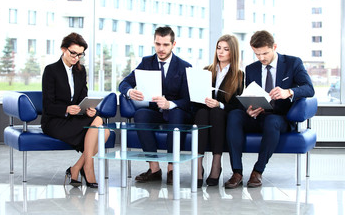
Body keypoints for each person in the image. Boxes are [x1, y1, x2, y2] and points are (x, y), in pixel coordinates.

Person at [224, 30, 315, 189]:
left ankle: (257, 171)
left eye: (265, 53)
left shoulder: (293, 63)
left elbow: (309, 89)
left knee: (271, 121)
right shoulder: (251, 69)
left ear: (274, 47)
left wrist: (289, 92)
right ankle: (237, 172)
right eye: (257, 54)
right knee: (234, 115)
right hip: (258, 114)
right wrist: (249, 108)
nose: (261, 58)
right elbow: (250, 92)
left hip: (280, 117)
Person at [119, 26, 192, 185]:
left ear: (174, 44)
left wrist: (170, 104)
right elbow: (124, 83)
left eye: (165, 45)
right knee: (140, 115)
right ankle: (154, 169)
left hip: (177, 112)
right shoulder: (147, 62)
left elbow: (188, 100)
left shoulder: (184, 66)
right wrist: (130, 92)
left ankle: (172, 168)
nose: (161, 48)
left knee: (176, 113)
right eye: (158, 44)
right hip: (156, 112)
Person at [41, 32, 110, 188]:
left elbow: (82, 98)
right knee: (100, 127)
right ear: (63, 49)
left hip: (74, 118)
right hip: (55, 120)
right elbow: (48, 104)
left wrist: (88, 110)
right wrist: (66, 109)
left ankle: (77, 168)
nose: (76, 58)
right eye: (73, 53)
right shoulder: (51, 70)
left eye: (80, 55)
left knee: (102, 127)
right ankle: (88, 168)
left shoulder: (80, 71)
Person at [194, 35, 244, 188]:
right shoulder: (206, 71)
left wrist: (219, 104)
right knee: (202, 113)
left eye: (226, 49)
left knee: (217, 112)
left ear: (233, 52)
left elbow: (238, 105)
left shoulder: (239, 76)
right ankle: (198, 164)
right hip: (204, 112)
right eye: (219, 48)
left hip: (223, 115)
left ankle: (216, 164)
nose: (220, 52)